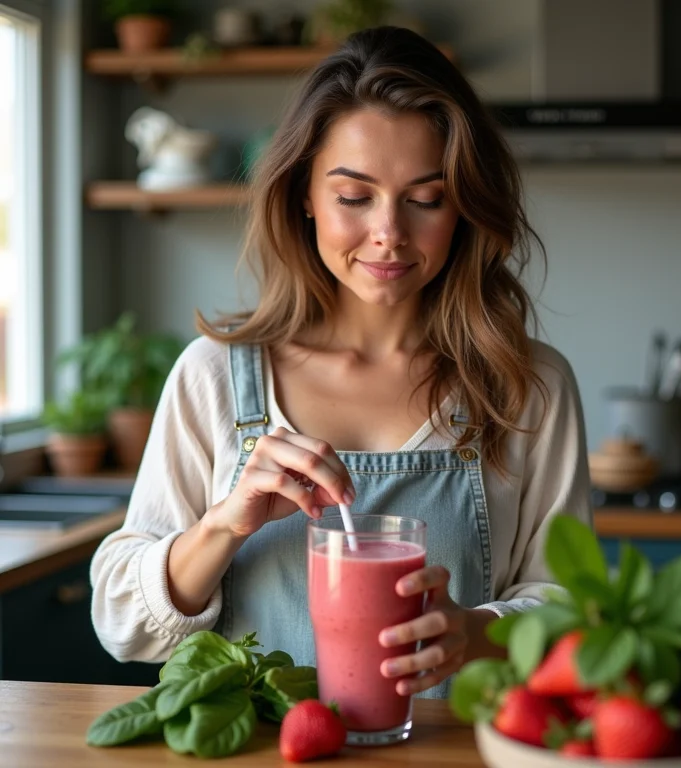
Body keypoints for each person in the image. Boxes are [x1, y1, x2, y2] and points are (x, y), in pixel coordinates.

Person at [90, 26, 592, 700]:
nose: (389, 233)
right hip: (265, 746)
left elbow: (572, 613)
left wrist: (474, 635)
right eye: (354, 197)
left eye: (426, 199)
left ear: (465, 206)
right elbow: (122, 624)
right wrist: (224, 524)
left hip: (452, 747)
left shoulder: (527, 385)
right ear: (304, 193)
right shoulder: (214, 375)